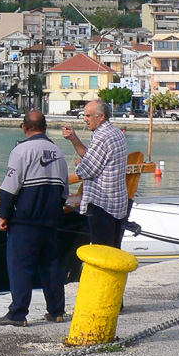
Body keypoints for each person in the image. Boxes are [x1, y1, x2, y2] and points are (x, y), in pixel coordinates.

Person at [0, 110, 70, 327]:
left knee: (20, 267)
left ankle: (18, 314)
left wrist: (3, 215)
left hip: (25, 221)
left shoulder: (21, 151)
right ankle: (57, 311)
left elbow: (9, 187)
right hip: (50, 220)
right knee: (51, 266)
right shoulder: (58, 152)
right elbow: (64, 190)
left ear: (24, 128)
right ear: (45, 127)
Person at [62, 99, 130, 248]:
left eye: (89, 116)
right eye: (85, 116)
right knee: (113, 249)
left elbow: (86, 170)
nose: (85, 120)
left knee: (102, 251)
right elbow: (96, 159)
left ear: (102, 116)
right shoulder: (116, 132)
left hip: (102, 205)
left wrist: (80, 166)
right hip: (117, 204)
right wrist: (74, 139)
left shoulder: (102, 137)